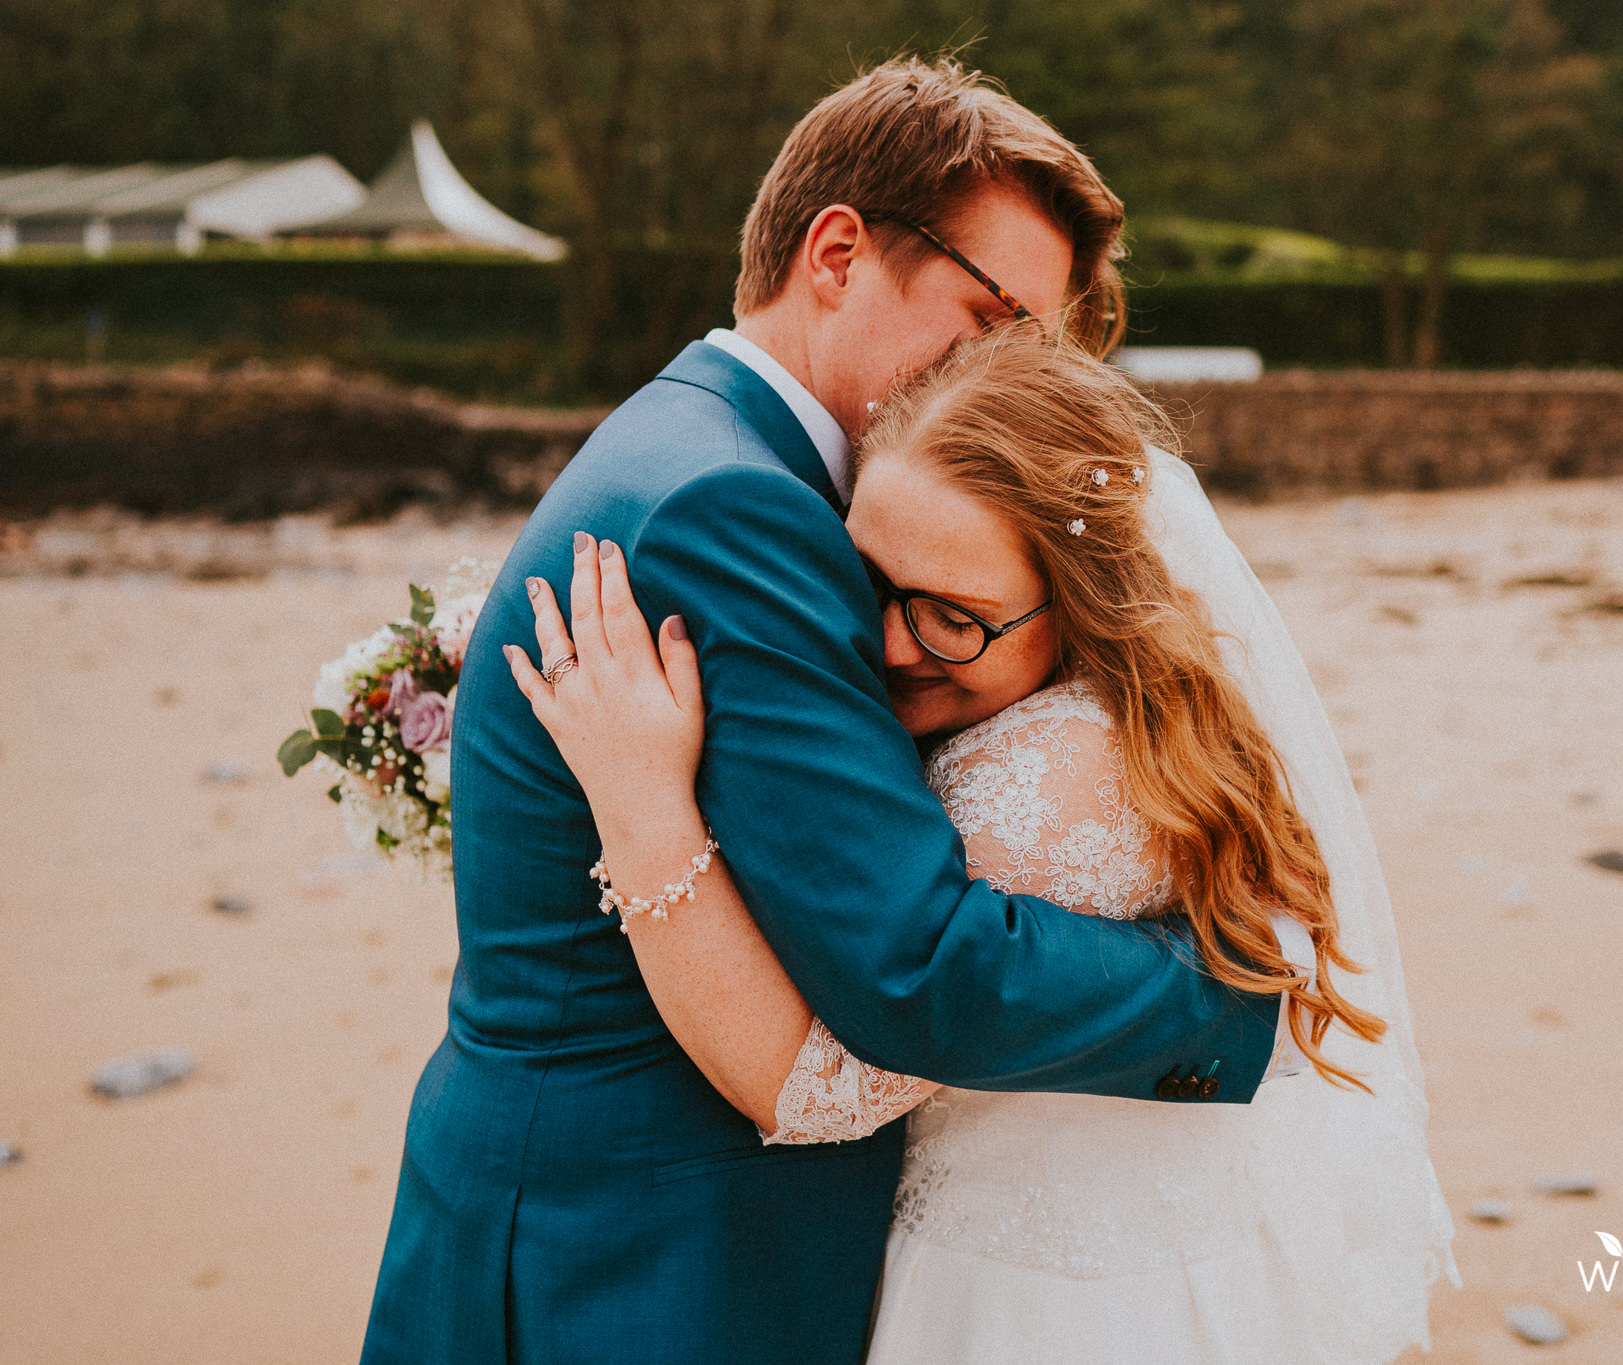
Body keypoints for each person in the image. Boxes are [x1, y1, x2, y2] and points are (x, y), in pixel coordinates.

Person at [360, 58, 1305, 1365]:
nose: (1005, 378)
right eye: (993, 319)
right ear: (839, 251)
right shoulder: (739, 509)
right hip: (646, 1263)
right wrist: (1223, 999)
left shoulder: (689, 441)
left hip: (561, 1218)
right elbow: (909, 965)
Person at [509, 330, 1457, 1362]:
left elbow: (808, 1087)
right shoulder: (1118, 715)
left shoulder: (1053, 772)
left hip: (1047, 1308)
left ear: (1080, 603)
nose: (885, 644)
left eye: (951, 618)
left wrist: (637, 793)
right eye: (864, 583)